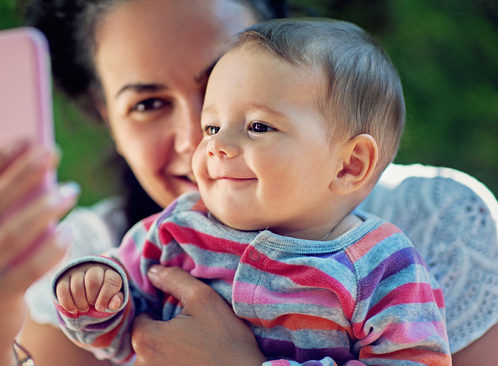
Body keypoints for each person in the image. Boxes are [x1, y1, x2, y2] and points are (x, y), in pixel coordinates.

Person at [0, 0, 498, 364]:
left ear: (349, 163)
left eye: (256, 119)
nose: (201, 141)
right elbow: (116, 312)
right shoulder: (166, 234)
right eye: (148, 104)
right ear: (104, 115)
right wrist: (91, 299)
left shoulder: (397, 255)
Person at [52, 18, 449, 365]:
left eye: (258, 126)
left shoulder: (381, 268)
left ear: (350, 164)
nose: (215, 145)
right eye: (213, 127)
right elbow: (119, 338)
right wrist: (98, 295)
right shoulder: (176, 228)